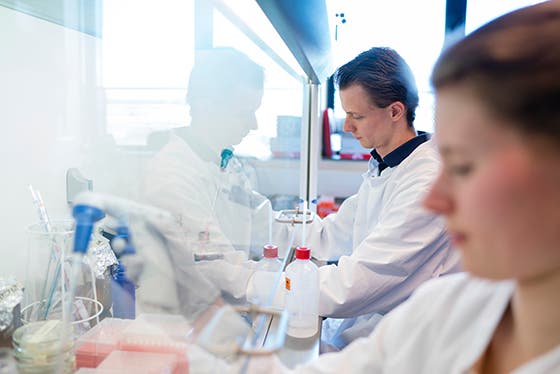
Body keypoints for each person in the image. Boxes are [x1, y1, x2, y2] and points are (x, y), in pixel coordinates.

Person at [237, 1, 560, 372]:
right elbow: (333, 234)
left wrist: (246, 281)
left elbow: (355, 284)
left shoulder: (420, 177)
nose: (436, 199)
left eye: (465, 165)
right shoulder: (452, 307)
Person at [297, 47, 460, 351]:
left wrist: (261, 287)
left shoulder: (426, 180)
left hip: (411, 344)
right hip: (374, 329)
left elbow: (355, 284)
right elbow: (334, 234)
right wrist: (271, 229)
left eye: (356, 115)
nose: (347, 127)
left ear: (396, 111)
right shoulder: (386, 166)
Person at [138, 47, 271, 313]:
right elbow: (212, 263)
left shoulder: (221, 157)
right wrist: (282, 284)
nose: (254, 124)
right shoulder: (172, 175)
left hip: (226, 300)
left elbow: (251, 215)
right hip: (188, 316)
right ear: (206, 107)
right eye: (244, 112)